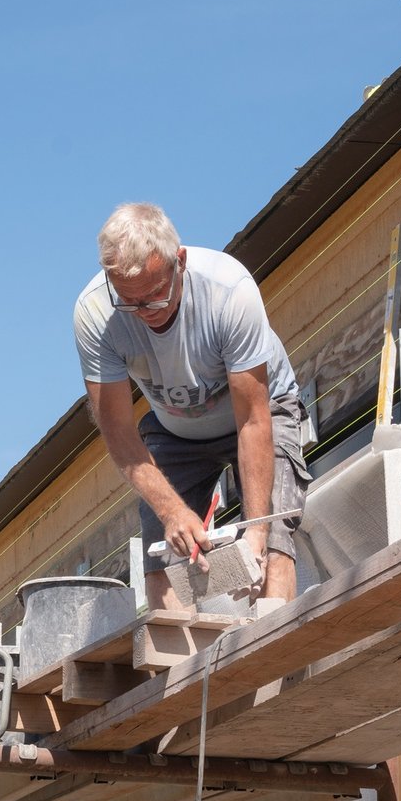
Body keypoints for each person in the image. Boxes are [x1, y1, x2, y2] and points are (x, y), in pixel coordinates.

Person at [73, 202, 310, 610]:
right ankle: (180, 668)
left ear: (178, 262)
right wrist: (170, 512)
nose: (145, 314)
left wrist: (253, 533)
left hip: (260, 413)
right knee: (164, 564)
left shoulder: (228, 290)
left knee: (273, 542)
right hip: (174, 430)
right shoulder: (95, 313)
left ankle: (276, 658)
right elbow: (117, 431)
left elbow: (253, 420)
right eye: (130, 302)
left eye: (154, 297)